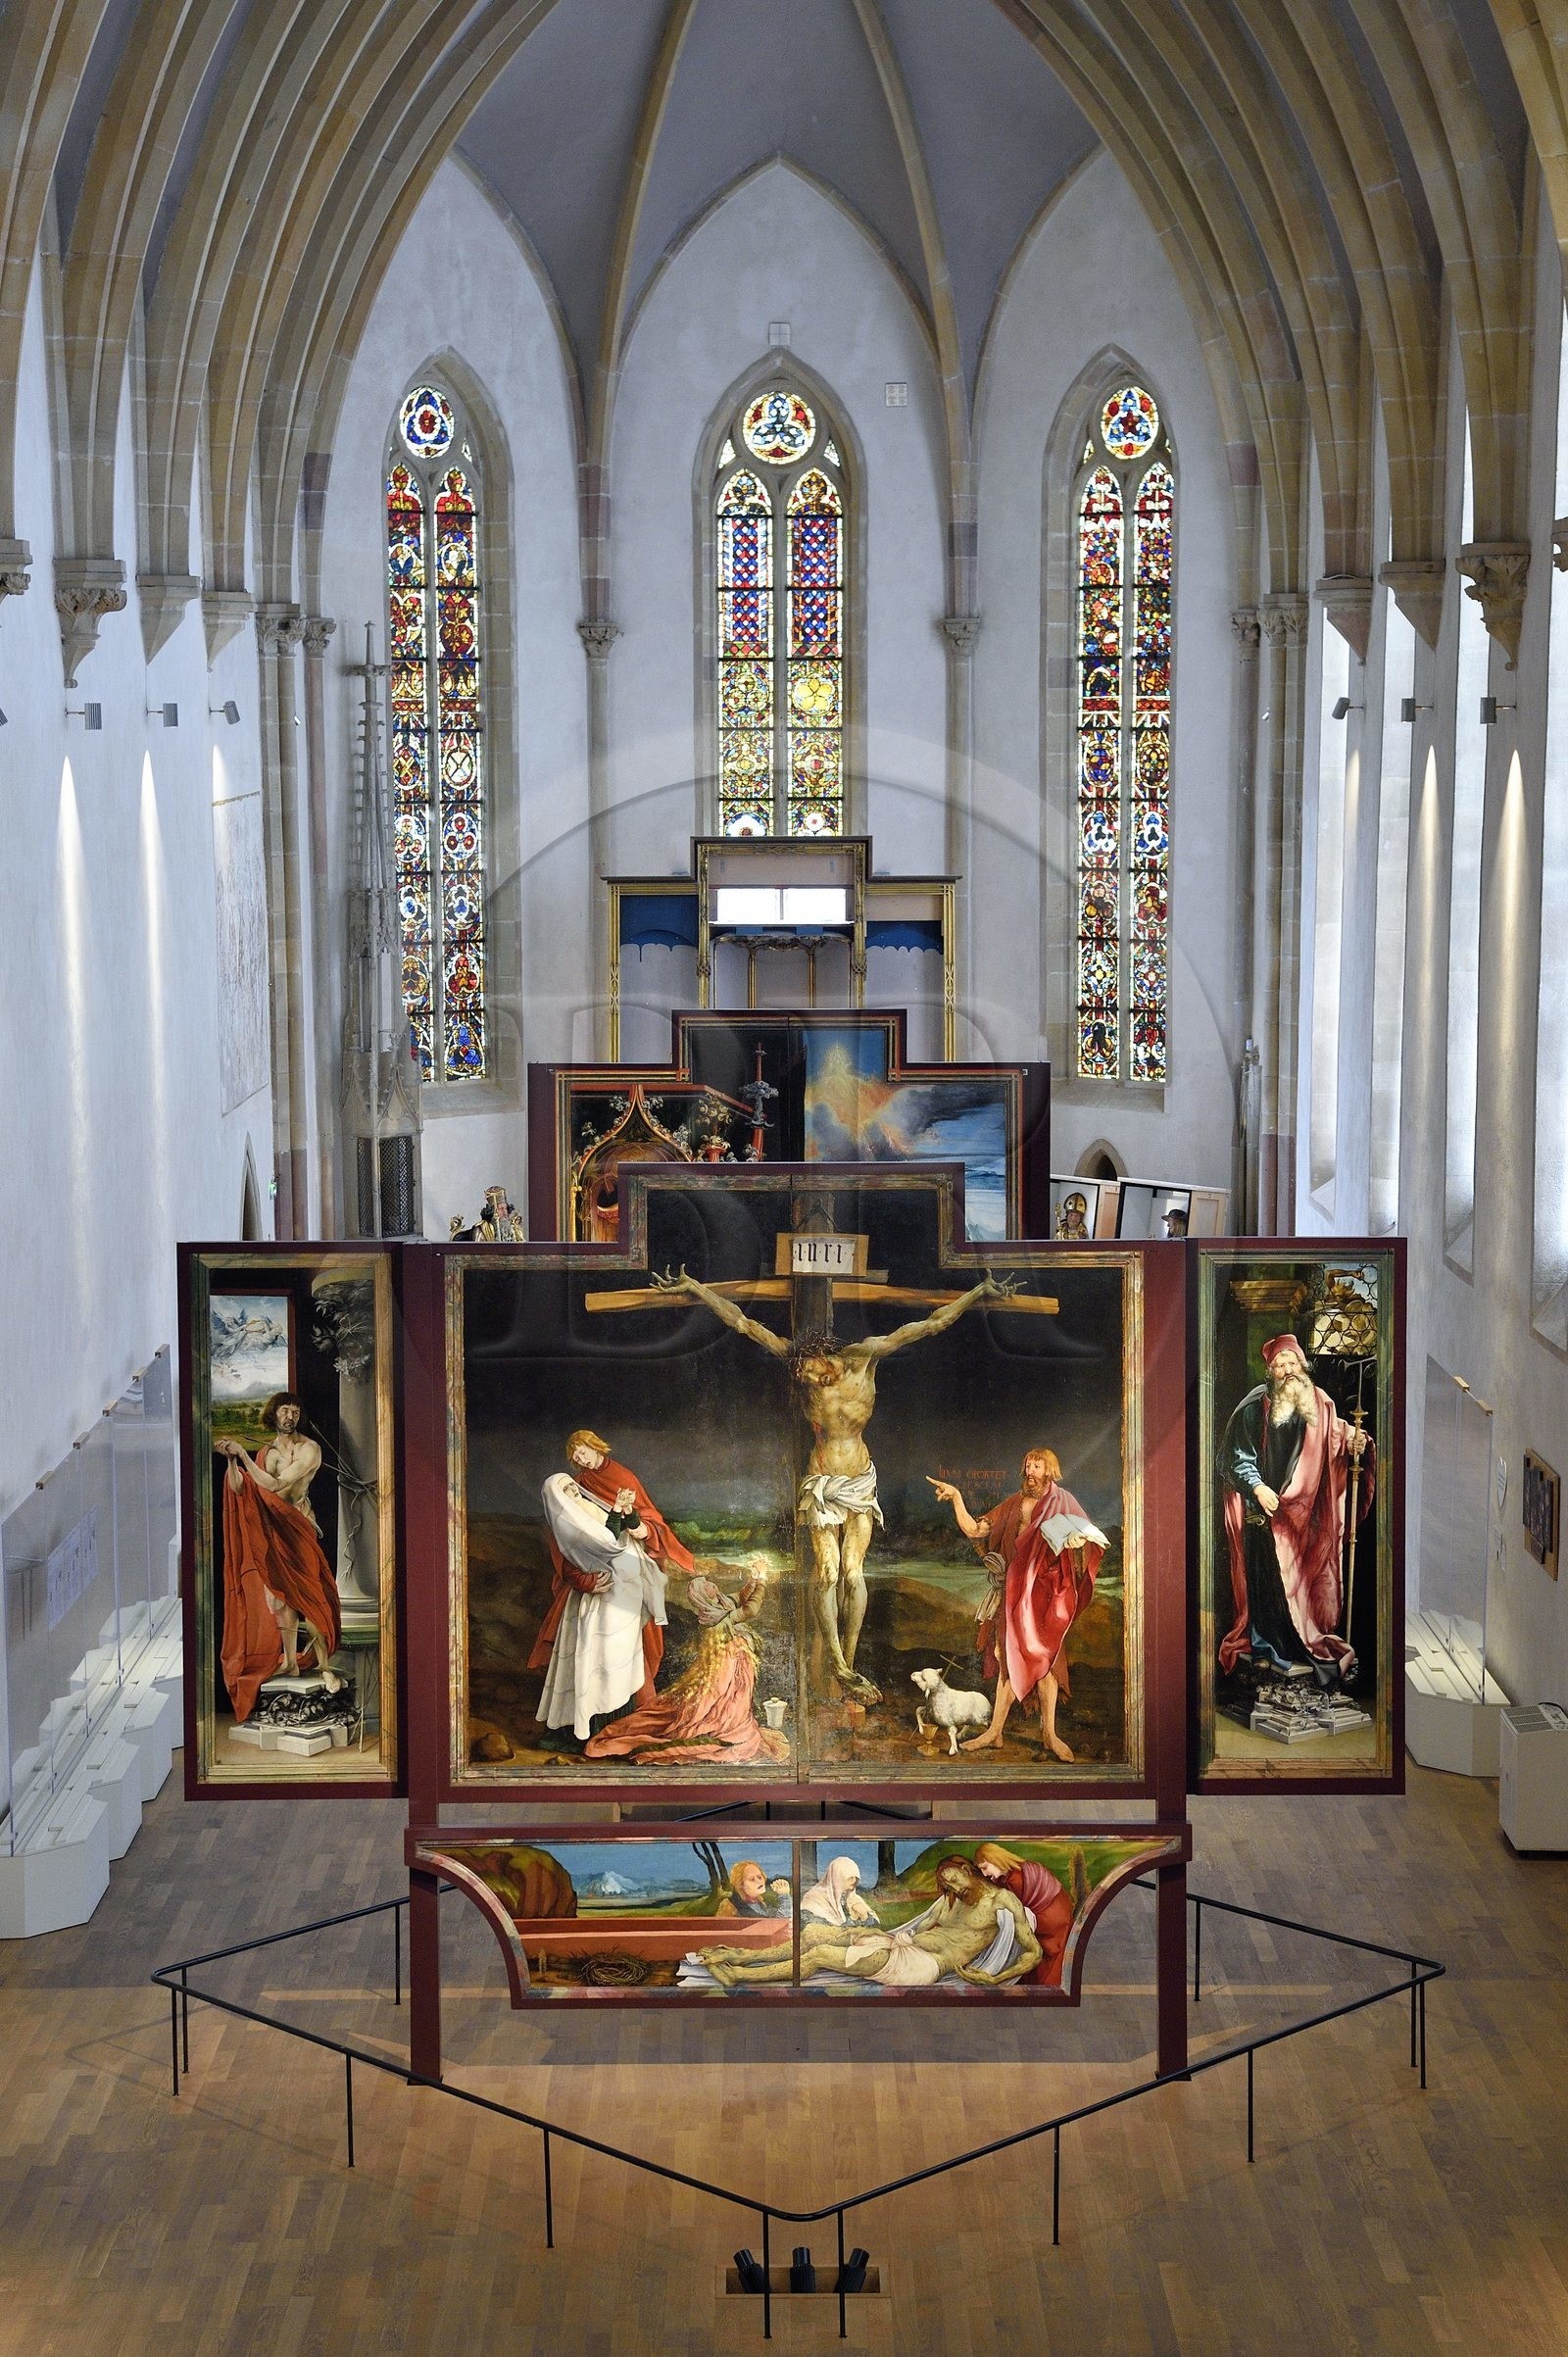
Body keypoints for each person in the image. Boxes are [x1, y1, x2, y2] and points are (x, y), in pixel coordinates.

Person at [651, 1266, 1011, 1700]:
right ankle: (838, 1666)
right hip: (821, 1483)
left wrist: (980, 1290)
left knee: (853, 1572)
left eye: (811, 1374)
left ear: (825, 1358)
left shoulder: (865, 1356)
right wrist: (693, 1286)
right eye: (800, 1377)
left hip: (860, 1480)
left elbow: (931, 1323)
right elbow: (741, 1322)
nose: (807, 1381)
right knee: (826, 1571)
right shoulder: (797, 1363)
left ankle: (850, 1663)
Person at [926, 1447, 1106, 1759]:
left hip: (1050, 1595)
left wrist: (1080, 1542)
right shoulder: (1013, 1505)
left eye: (1037, 1466)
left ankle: (1049, 1734)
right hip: (1016, 1590)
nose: (1030, 1472)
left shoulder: (1064, 1502)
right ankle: (995, 1731)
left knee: (1046, 1660)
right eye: (1027, 1466)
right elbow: (974, 1529)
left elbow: (1086, 1540)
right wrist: (956, 1497)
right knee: (1009, 1660)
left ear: (1050, 1471)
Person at [1217, 1333, 1373, 1686]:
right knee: (1270, 1584)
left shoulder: (1318, 1401)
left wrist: (1354, 1441)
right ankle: (1269, 1650)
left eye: (1292, 1363)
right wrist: (1257, 1487)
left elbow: (1337, 1435)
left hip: (1305, 1515)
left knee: (1304, 1582)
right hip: (1266, 1510)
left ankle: (1303, 1646)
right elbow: (1236, 1455)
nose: (1287, 1370)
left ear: (1302, 1366)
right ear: (1270, 1371)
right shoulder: (1254, 1406)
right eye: (1279, 1365)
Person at [528, 1430, 693, 1715]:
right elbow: (569, 1540)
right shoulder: (575, 1486)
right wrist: (584, 1578)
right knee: (594, 1647)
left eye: (582, 1451)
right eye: (575, 1456)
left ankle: (630, 1710)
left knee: (630, 1641)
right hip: (598, 1581)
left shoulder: (623, 1477)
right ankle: (592, 1716)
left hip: (629, 1573)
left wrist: (641, 1526)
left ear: (595, 1446)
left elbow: (645, 1520)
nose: (580, 1459)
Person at [703, 1857, 1042, 1989]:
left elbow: (1034, 1952)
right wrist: (876, 1933)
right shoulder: (950, 1899)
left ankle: (738, 1975)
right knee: (815, 1933)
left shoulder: (1002, 1902)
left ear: (969, 1872)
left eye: (956, 1883)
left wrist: (996, 1976)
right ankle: (740, 1954)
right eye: (948, 1885)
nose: (952, 1890)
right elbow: (917, 1929)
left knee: (820, 1955)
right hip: (904, 1946)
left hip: (923, 1965)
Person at [215, 1392, 344, 1723]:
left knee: (310, 1596)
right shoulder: (266, 1452)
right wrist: (233, 1461)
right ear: (274, 1415)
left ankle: (325, 1667)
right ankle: (288, 1661)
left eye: (295, 1411)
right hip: (271, 1529)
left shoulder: (308, 1449)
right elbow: (241, 1489)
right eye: (285, 1410)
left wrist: (241, 1455)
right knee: (280, 1598)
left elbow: (274, 1486)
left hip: (297, 1525)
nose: (291, 1416)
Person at [582, 1560, 788, 1765]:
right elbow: (750, 1610)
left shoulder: (721, 1604)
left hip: (736, 1666)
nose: (709, 1583)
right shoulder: (715, 1618)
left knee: (732, 1704)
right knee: (718, 1709)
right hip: (725, 1670)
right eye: (705, 1584)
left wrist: (753, 1577)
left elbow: (742, 1597)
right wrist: (762, 1580)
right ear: (704, 1597)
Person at [972, 1841, 1078, 1989]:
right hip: (1049, 1909)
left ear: (995, 1859)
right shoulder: (1007, 1877)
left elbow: (1015, 1910)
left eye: (985, 1867)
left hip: (1050, 1914)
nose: (985, 1874)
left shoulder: (1015, 1879)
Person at [799, 1854, 877, 1926]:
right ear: (838, 1877)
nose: (854, 1880)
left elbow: (875, 1924)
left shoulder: (854, 1898)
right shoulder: (814, 1899)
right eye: (850, 1877)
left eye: (856, 1877)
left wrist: (865, 1916)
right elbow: (816, 1928)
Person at [715, 1860, 786, 1918]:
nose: (758, 1881)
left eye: (759, 1877)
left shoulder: (759, 1903)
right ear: (741, 1885)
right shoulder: (740, 1909)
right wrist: (784, 1896)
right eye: (752, 1879)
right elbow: (769, 1923)